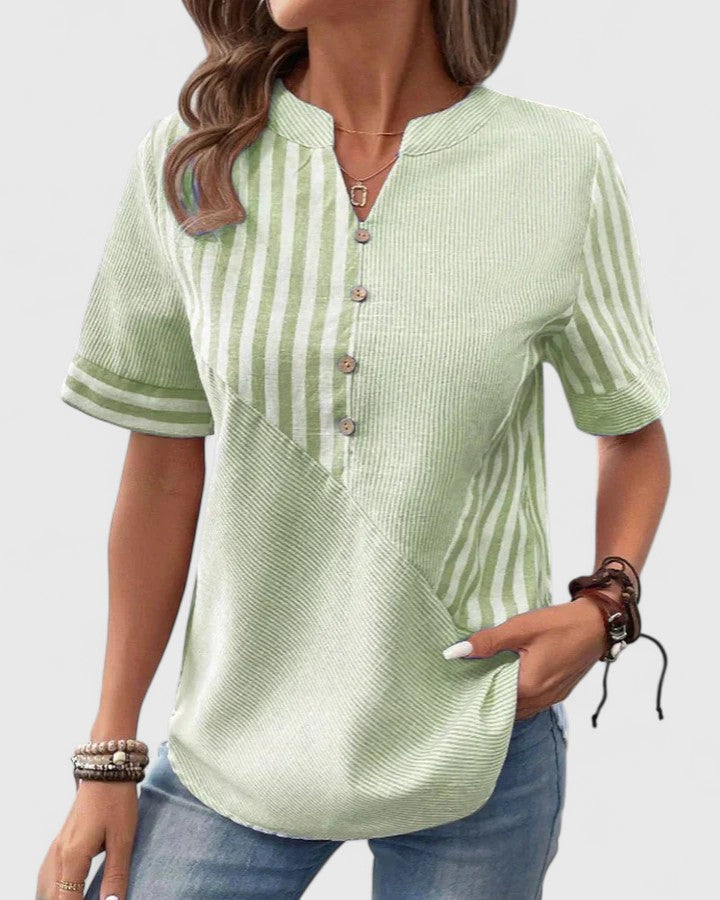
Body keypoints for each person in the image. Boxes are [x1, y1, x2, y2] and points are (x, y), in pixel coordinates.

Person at [37, 0, 672, 898]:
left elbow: (632, 434)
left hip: (481, 736)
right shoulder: (191, 162)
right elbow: (161, 473)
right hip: (237, 747)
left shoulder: (559, 162)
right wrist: (108, 757)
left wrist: (605, 605)